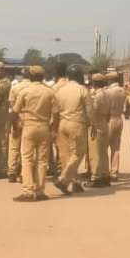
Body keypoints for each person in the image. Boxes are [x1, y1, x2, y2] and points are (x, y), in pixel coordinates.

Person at [11, 65, 55, 202]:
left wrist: (14, 128)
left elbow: (15, 111)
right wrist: (53, 130)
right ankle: (40, 191)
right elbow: (56, 114)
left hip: (29, 126)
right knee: (42, 161)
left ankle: (28, 191)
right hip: (44, 127)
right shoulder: (50, 92)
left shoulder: (25, 91)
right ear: (43, 76)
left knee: (27, 159)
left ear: (30, 76)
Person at [52, 66, 92, 194]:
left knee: (65, 155)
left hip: (61, 124)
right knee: (78, 153)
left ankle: (75, 182)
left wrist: (54, 127)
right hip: (76, 123)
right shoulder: (83, 90)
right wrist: (92, 124)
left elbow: (55, 111)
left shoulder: (60, 90)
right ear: (80, 76)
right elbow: (89, 111)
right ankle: (63, 180)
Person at [85, 73, 112, 187]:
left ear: (94, 83)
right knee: (103, 152)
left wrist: (91, 124)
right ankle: (105, 175)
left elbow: (93, 111)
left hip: (96, 125)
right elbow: (109, 112)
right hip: (104, 124)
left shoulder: (96, 96)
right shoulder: (107, 94)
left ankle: (95, 177)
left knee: (94, 152)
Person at [6, 67, 30, 182]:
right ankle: (24, 172)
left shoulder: (15, 88)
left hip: (17, 118)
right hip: (30, 120)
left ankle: (11, 172)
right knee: (27, 149)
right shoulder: (36, 88)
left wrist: (13, 123)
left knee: (14, 146)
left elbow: (11, 107)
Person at [103, 70, 127, 181]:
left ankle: (104, 172)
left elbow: (105, 108)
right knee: (116, 148)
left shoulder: (107, 92)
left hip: (109, 119)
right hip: (119, 119)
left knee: (104, 147)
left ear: (110, 80)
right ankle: (114, 172)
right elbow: (125, 108)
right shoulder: (123, 91)